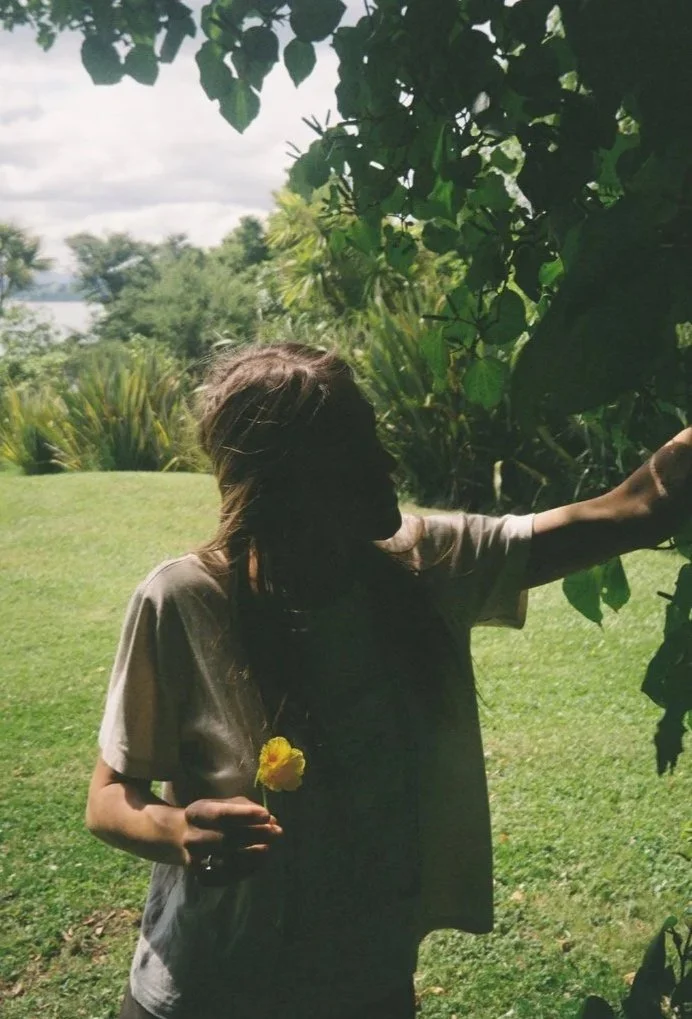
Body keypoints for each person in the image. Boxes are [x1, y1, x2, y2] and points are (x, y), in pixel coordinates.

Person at [86, 342, 692, 1019]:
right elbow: (109, 797)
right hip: (205, 990)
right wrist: (178, 831)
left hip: (364, 983)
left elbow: (641, 505)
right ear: (290, 481)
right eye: (357, 450)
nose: (387, 464)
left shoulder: (429, 563)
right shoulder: (181, 600)